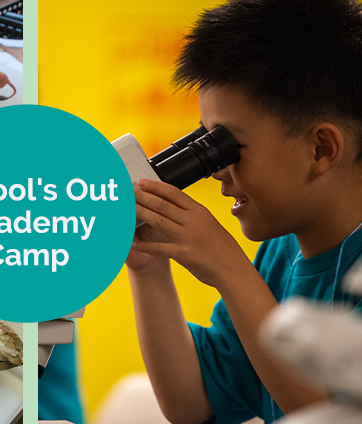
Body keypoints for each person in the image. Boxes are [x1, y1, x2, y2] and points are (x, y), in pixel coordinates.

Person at [127, 1, 362, 423]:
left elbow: (336, 414)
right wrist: (148, 267)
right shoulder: (282, 253)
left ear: (321, 149)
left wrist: (230, 272)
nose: (215, 170)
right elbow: (192, 404)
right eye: (205, 142)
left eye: (230, 145)